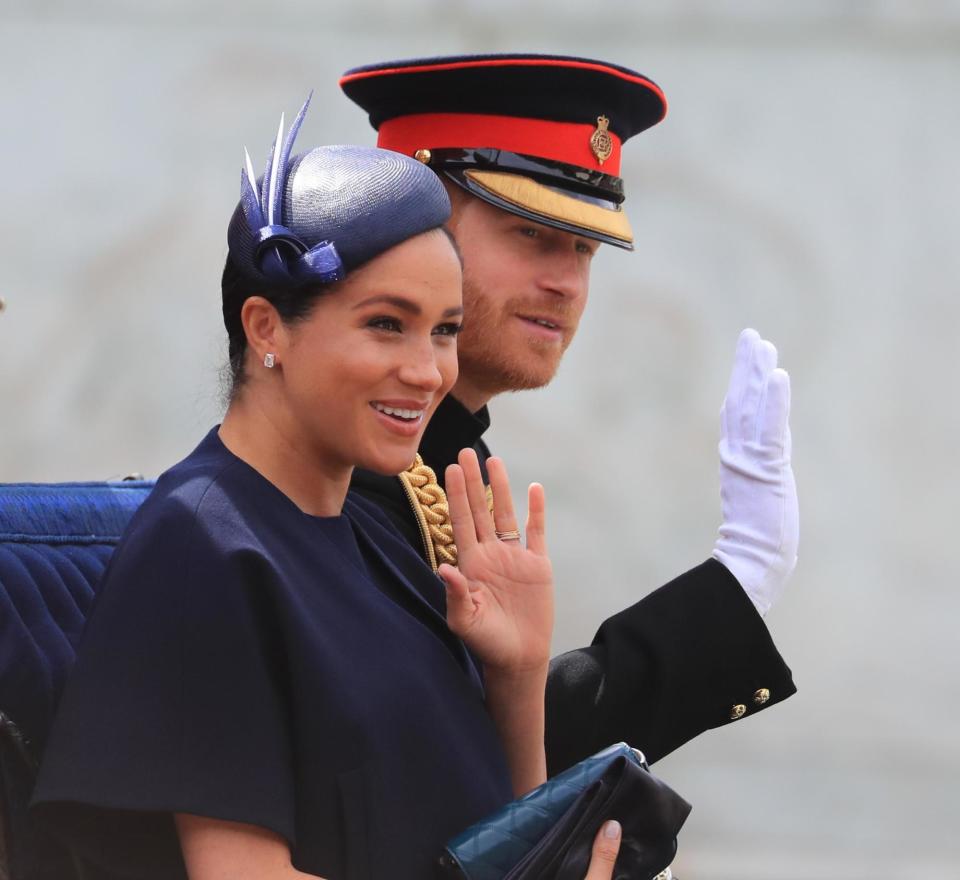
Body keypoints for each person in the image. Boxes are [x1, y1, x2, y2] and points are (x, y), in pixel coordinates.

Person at [30, 97, 627, 880]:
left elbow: (498, 846)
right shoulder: (204, 542)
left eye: (444, 329)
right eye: (386, 323)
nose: (428, 371)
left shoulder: (371, 533)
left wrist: (516, 678)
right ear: (266, 327)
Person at [340, 53, 800, 774]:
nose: (565, 282)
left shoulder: (442, 453)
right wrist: (738, 583)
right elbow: (443, 764)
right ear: (412, 228)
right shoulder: (351, 462)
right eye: (530, 234)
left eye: (586, 247)